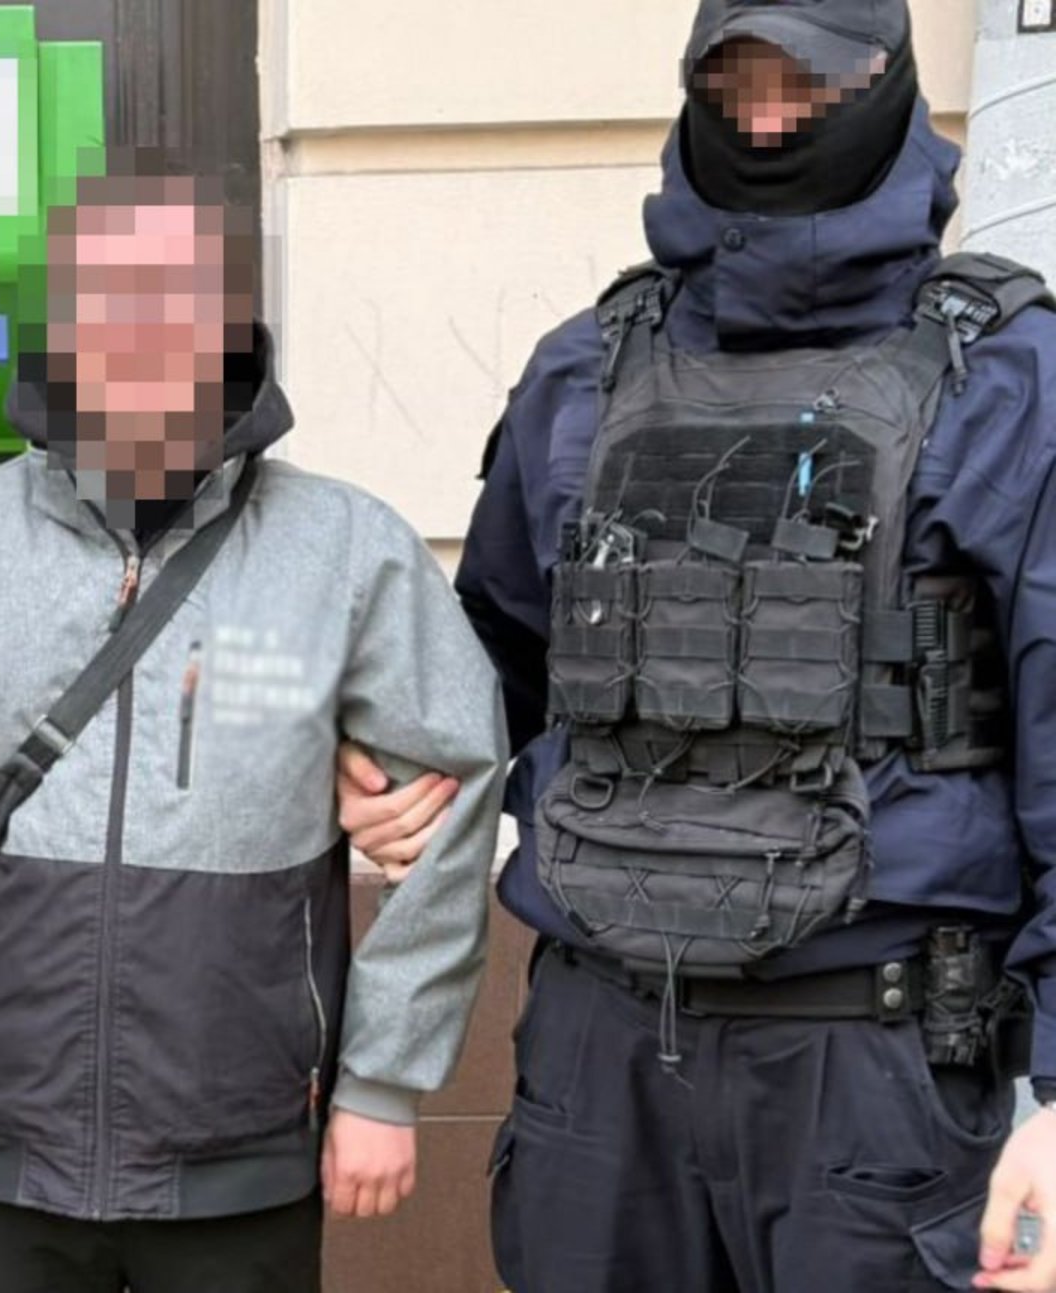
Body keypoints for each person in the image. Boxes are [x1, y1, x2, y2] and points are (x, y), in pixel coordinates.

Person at [412, 2, 1056, 1288]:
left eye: (811, 83)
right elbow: (492, 663)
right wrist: (393, 753)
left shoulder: (1007, 378)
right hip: (600, 1054)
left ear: (890, 86)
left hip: (872, 1069)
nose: (767, 119)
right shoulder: (584, 369)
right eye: (736, 82)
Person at [0, 164, 507, 1293]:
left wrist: (384, 1079)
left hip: (242, 1136)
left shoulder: (347, 548)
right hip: (0, 1133)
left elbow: (451, 797)